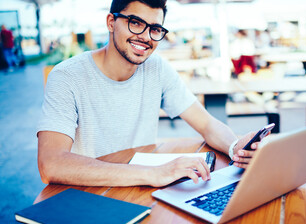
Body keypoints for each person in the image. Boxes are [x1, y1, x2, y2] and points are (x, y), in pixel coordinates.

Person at [37, 0, 261, 188]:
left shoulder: (156, 68)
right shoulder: (67, 76)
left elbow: (206, 124)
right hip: (85, 194)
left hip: (140, 191)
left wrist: (235, 147)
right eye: (135, 23)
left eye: (154, 29)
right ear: (111, 22)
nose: (146, 36)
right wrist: (153, 173)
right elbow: (51, 163)